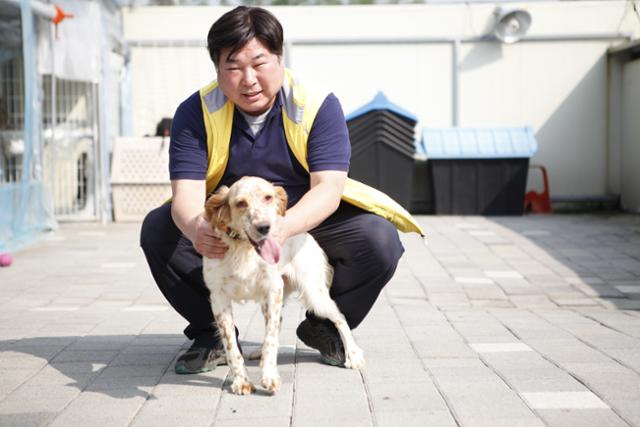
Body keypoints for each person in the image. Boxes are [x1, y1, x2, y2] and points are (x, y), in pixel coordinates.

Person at [140, 5, 423, 375]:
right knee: (160, 229)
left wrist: (281, 229)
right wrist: (197, 229)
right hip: (232, 221)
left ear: (280, 58)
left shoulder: (317, 105)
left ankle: (324, 328)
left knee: (378, 240)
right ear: (217, 69)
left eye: (259, 63)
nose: (248, 79)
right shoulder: (195, 112)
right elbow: (187, 194)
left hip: (301, 216)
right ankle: (213, 336)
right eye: (233, 67)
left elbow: (327, 189)